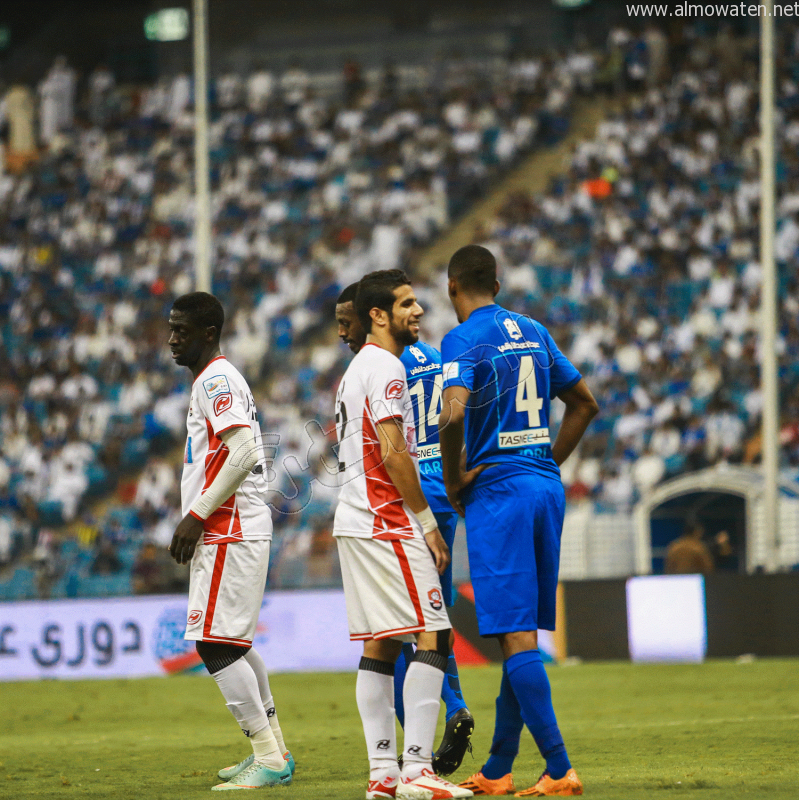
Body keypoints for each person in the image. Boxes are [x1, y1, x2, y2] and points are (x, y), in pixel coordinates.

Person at [438, 245, 598, 797]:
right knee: (518, 637)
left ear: (453, 287)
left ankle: (559, 769)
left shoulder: (461, 338)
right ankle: (499, 769)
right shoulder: (534, 330)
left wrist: (456, 474)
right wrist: (547, 464)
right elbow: (585, 404)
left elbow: (453, 410)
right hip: (543, 488)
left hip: (498, 494)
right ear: (497, 284)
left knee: (514, 634)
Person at [333, 270, 473, 800]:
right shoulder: (388, 366)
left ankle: (383, 777)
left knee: (382, 642)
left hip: (356, 519)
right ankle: (417, 771)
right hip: (386, 520)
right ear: (379, 315)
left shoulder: (355, 370)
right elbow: (394, 452)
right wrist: (428, 523)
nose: (418, 311)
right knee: (433, 631)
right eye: (407, 303)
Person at [167, 292, 293, 791]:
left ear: (209, 334)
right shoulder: (212, 379)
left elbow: (243, 451)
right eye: (171, 328)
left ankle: (266, 755)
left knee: (213, 644)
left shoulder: (216, 379)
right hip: (232, 525)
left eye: (181, 329)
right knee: (231, 643)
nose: (172, 338)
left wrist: (196, 515)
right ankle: (274, 751)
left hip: (229, 526)